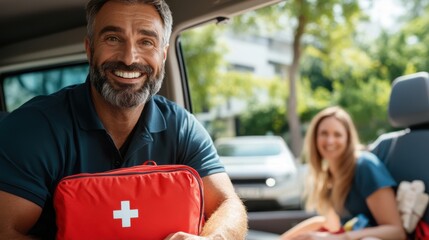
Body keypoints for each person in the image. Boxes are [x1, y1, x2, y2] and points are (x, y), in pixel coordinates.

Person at [0, 0, 248, 239]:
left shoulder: (182, 127)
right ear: (89, 49)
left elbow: (228, 204)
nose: (129, 58)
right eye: (112, 38)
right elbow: (5, 232)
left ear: (163, 55)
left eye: (146, 42)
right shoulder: (33, 127)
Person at [280, 106, 405, 240]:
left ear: (348, 138)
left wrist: (341, 237)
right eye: (324, 133)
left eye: (337, 134)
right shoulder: (329, 175)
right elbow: (331, 225)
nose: (330, 141)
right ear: (314, 139)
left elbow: (396, 232)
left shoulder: (365, 166)